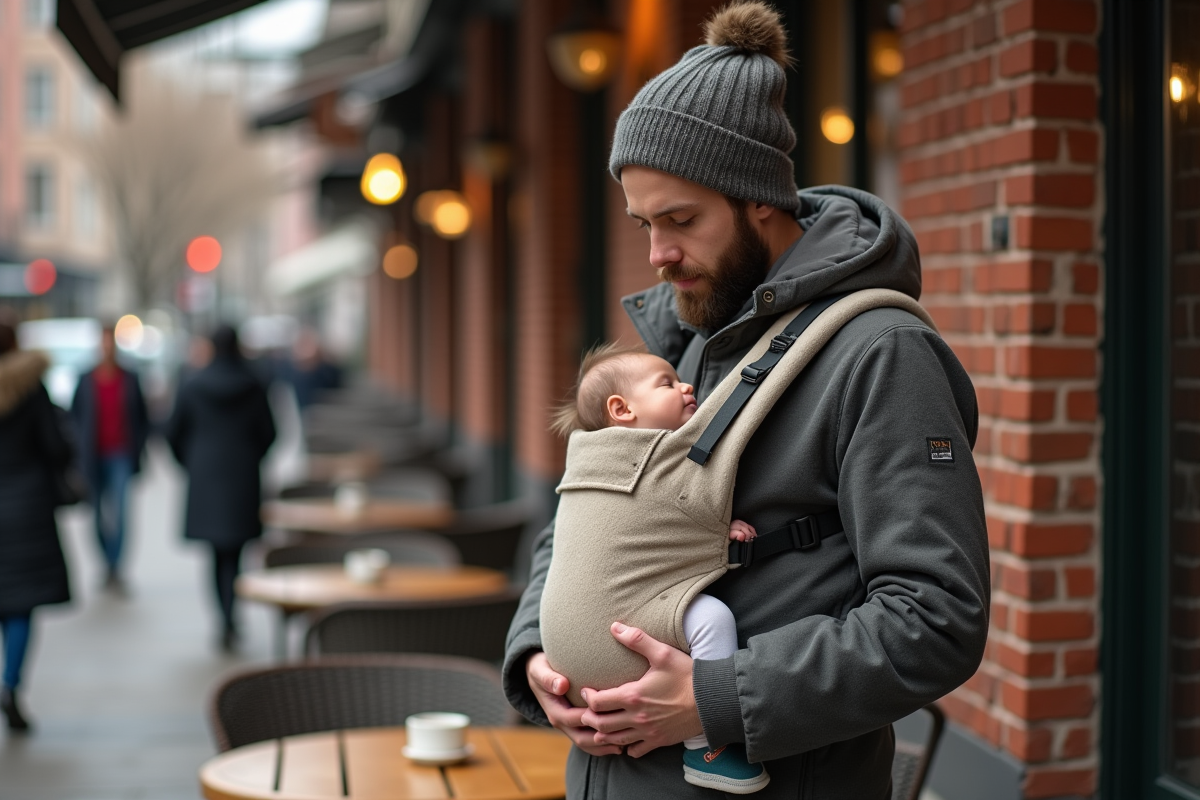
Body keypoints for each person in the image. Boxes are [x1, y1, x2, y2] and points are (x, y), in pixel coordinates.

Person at [503, 4, 990, 798]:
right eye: (643, 223)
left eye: (681, 220)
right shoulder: (685, 336)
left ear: (759, 197)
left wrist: (712, 700)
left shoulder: (881, 355)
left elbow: (934, 618)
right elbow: (586, 517)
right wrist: (540, 655)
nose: (658, 254)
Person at [548, 343, 766, 793]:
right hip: (617, 632)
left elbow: (657, 531)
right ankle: (708, 747)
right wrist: (720, 528)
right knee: (712, 619)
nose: (686, 385)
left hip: (564, 656)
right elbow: (678, 512)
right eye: (666, 383)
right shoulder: (659, 459)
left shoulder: (591, 462)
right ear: (622, 409)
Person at [165, 325, 276, 651]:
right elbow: (270, 432)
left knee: (216, 554)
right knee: (237, 553)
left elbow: (172, 431)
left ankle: (223, 618)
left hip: (206, 477)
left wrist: (191, 462)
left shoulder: (192, 384)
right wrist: (250, 456)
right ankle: (231, 615)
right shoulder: (254, 384)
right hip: (242, 476)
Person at [0, 320, 72, 732]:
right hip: (27, 507)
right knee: (20, 606)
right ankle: (11, 684)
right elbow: (56, 446)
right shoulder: (31, 388)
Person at [70, 323, 150, 593]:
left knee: (121, 514)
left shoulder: (130, 378)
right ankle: (105, 562)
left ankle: (116, 566)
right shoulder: (85, 378)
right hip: (93, 456)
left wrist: (140, 449)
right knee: (96, 516)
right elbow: (75, 418)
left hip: (121, 454)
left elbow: (142, 417)